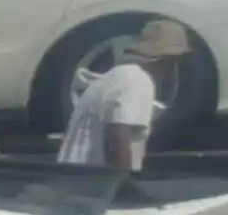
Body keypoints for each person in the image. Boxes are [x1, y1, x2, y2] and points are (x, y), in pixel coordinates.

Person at [56, 18, 191, 171]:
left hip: (74, 183)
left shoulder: (114, 77)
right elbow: (117, 134)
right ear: (169, 60)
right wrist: (123, 184)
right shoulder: (137, 81)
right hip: (93, 189)